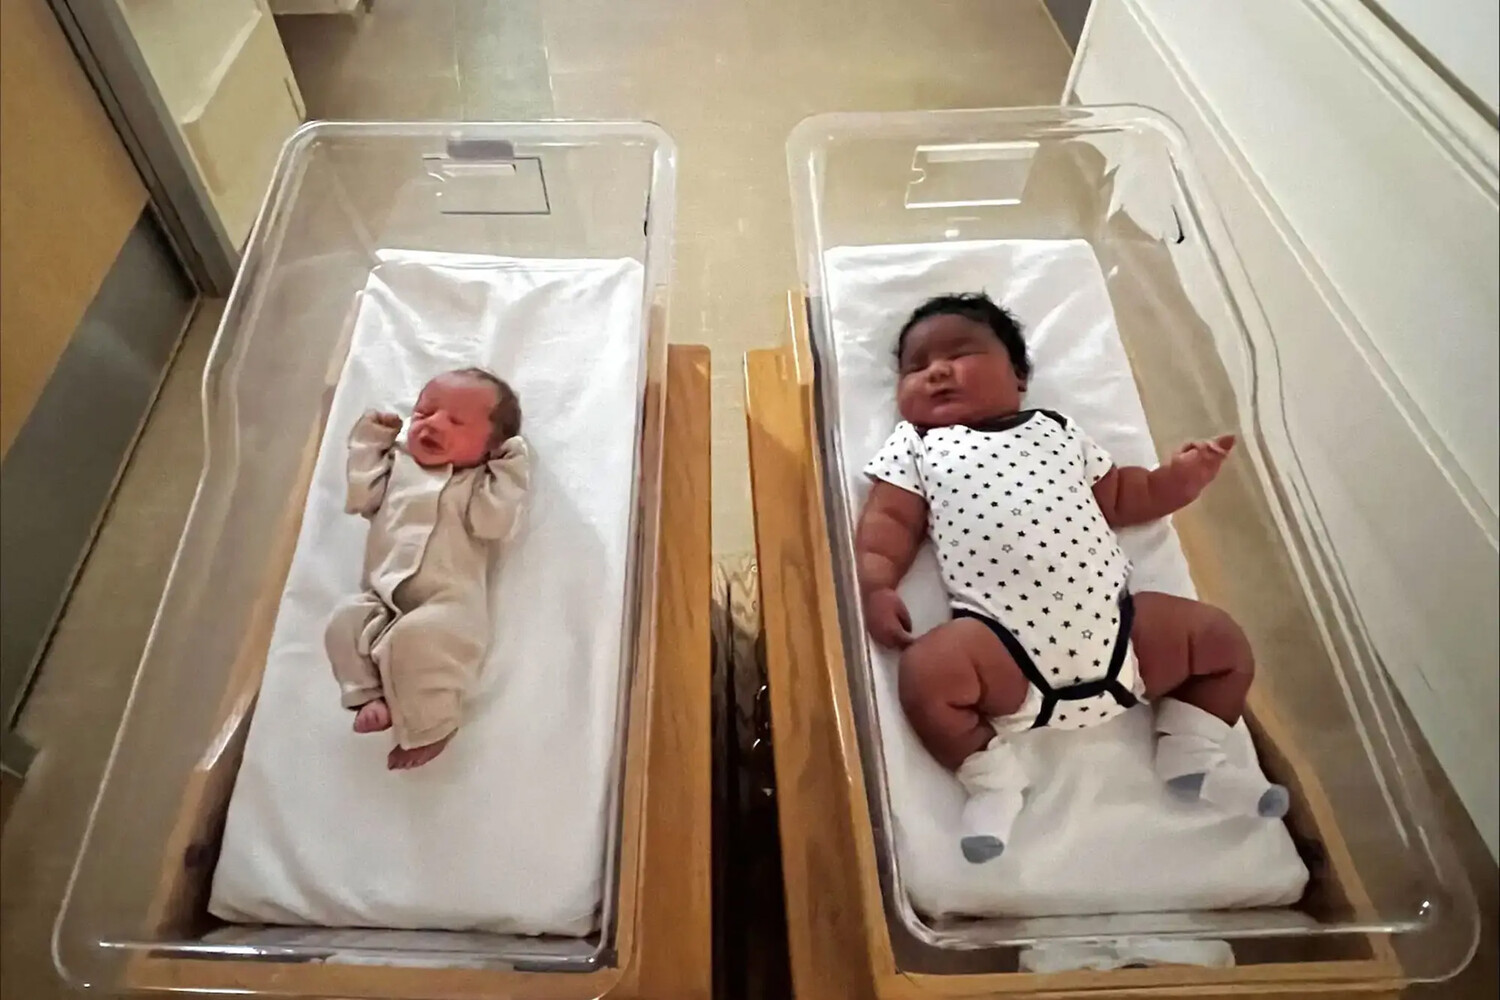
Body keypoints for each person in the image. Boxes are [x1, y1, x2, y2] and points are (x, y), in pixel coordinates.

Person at [856, 293, 1287, 863]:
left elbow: (1125, 495)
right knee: (924, 674)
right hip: (1002, 651)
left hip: (1124, 638)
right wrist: (877, 585)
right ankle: (992, 781)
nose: (935, 371)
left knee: (1220, 640)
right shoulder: (919, 445)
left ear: (1019, 376)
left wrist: (1179, 480)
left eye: (958, 353)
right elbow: (889, 523)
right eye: (916, 367)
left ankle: (1191, 751)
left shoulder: (1056, 430)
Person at [324, 367, 530, 769]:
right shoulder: (399, 468)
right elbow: (361, 496)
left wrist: (509, 470)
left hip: (447, 603)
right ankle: (369, 693)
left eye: (456, 421)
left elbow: (494, 523)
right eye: (423, 412)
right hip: (380, 598)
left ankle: (432, 726)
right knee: (343, 620)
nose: (432, 423)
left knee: (415, 641)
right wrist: (371, 441)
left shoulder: (475, 484)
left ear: (491, 447)